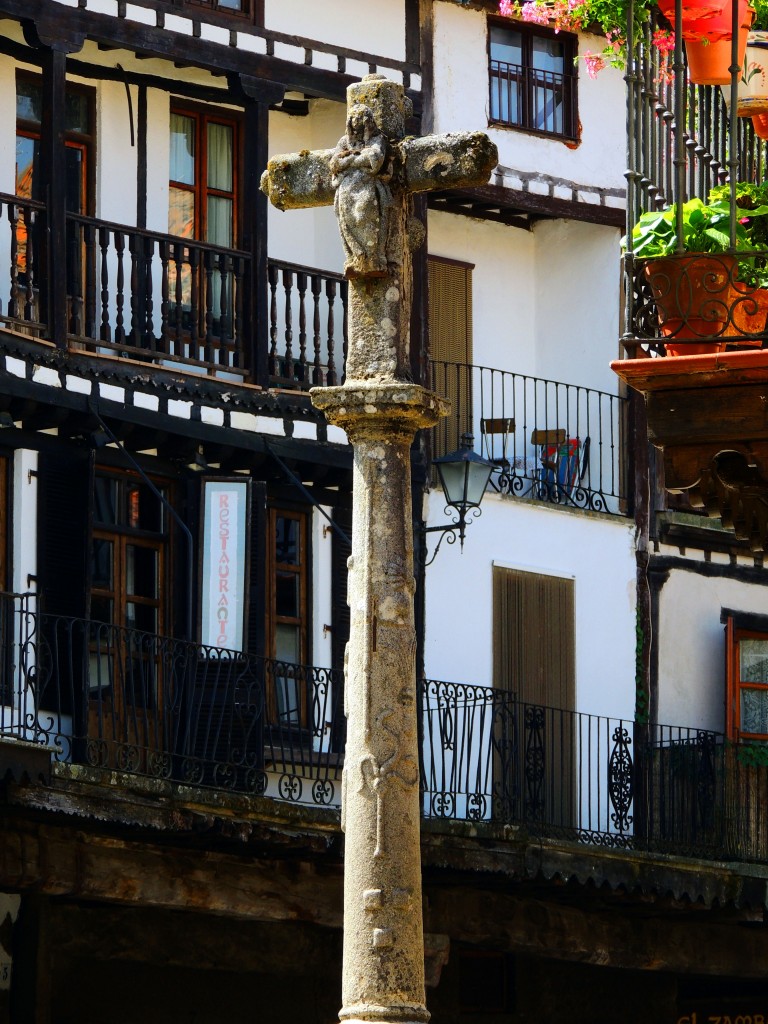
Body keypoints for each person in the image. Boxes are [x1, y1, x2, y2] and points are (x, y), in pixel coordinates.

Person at [330, 104, 393, 278]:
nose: (356, 122)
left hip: (367, 186)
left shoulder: (377, 138)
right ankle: (355, 258)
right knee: (347, 219)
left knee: (363, 216)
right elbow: (334, 163)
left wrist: (348, 159)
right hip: (346, 189)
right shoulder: (344, 141)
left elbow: (375, 159)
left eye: (360, 118)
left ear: (367, 121)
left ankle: (372, 258)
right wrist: (358, 157)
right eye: (354, 118)